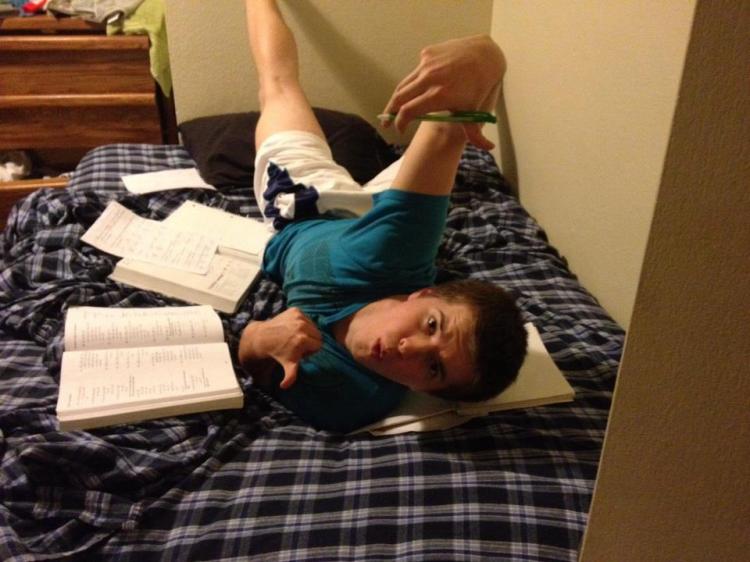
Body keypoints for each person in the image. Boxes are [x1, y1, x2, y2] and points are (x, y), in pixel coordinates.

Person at [238, 0, 527, 433]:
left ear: (430, 392)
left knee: (279, 97)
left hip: (315, 224)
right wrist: (486, 54)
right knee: (278, 86)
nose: (407, 349)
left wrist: (256, 340)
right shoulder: (394, 249)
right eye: (431, 325)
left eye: (433, 368)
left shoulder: (349, 397)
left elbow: (248, 356)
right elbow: (449, 127)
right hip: (317, 202)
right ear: (423, 294)